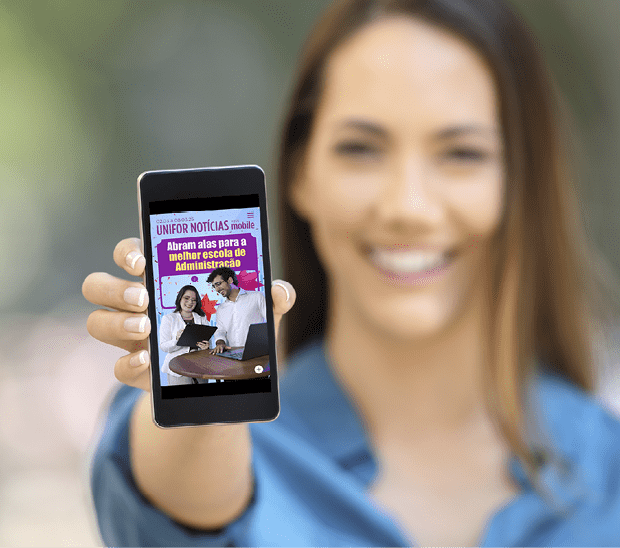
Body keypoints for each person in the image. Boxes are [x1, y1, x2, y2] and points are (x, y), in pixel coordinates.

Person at [81, 0, 620, 545]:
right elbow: (184, 498)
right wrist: (199, 388)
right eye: (360, 149)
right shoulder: (222, 439)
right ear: (300, 174)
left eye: (462, 153)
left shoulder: (607, 466)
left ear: (520, 182)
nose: (408, 206)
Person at [206, 267, 266, 355]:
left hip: (258, 351)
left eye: (218, 284)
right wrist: (220, 342)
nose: (217, 289)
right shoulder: (220, 308)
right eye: (214, 286)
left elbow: (272, 322)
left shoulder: (257, 297)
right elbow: (220, 330)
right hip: (233, 354)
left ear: (230, 280)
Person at [158, 285, 211, 385]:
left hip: (200, 368)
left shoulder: (202, 318)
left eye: (193, 300)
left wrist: (206, 348)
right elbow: (164, 347)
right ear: (180, 299)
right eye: (186, 298)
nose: (190, 302)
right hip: (178, 369)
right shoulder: (169, 318)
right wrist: (177, 340)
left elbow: (208, 344)